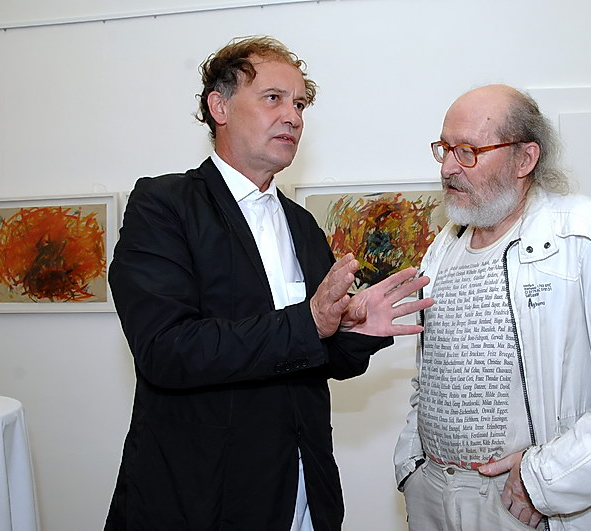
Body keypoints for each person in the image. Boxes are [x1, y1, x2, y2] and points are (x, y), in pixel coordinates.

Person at [105, 36, 432, 530]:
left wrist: (357, 333)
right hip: (202, 497)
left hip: (303, 489)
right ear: (219, 107)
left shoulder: (302, 225)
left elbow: (318, 358)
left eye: (299, 104)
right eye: (273, 98)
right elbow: (166, 350)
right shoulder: (164, 205)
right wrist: (310, 322)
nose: (293, 117)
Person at [394, 84, 591, 530]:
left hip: (526, 504)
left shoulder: (590, 237)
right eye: (445, 148)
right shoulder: (443, 248)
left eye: (468, 151)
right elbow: (432, 375)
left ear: (524, 159)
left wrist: (543, 480)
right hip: (435, 498)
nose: (449, 167)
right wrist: (412, 464)